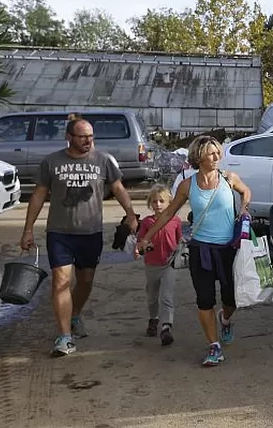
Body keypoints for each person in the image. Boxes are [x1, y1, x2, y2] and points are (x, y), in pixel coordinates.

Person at [21, 113, 138, 357]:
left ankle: (74, 315)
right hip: (59, 233)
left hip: (90, 232)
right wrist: (28, 229)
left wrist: (131, 213)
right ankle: (64, 337)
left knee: (85, 281)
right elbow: (39, 195)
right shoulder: (51, 162)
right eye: (82, 137)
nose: (88, 141)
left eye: (91, 137)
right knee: (61, 282)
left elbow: (118, 188)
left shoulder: (103, 160)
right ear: (69, 137)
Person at [137, 135, 251, 367]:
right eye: (211, 153)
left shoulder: (229, 178)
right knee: (204, 300)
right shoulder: (188, 186)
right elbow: (168, 213)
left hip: (228, 249)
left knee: (231, 299)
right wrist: (147, 237)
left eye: (218, 152)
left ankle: (225, 319)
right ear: (199, 157)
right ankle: (214, 346)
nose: (217, 157)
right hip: (201, 249)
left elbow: (245, 191)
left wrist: (244, 209)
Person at [134, 184, 182, 346]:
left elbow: (179, 240)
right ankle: (153, 319)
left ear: (170, 203)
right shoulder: (147, 222)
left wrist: (181, 250)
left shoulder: (175, 221)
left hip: (170, 263)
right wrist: (142, 247)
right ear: (150, 204)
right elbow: (141, 241)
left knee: (167, 296)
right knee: (152, 297)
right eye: (154, 202)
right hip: (152, 264)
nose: (158, 205)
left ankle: (166, 327)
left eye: (162, 201)